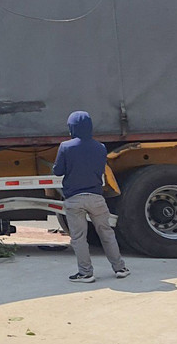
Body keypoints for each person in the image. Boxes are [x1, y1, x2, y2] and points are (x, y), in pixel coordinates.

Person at [54, 111, 128, 283]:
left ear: (72, 128)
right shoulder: (100, 147)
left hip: (74, 198)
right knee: (107, 233)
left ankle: (86, 273)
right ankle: (120, 268)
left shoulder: (66, 147)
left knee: (79, 238)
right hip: (96, 197)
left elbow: (58, 171)